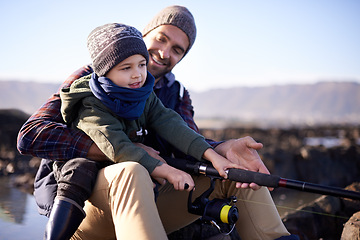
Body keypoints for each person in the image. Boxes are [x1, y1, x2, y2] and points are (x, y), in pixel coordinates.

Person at [17, 5, 298, 240]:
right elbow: (31, 134)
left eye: (177, 49)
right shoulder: (90, 81)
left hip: (149, 201)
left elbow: (182, 134)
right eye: (161, 39)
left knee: (238, 171)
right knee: (132, 171)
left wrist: (221, 150)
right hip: (89, 205)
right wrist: (132, 155)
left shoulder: (171, 94)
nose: (165, 53)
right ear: (144, 35)